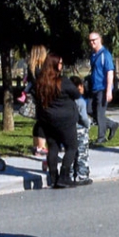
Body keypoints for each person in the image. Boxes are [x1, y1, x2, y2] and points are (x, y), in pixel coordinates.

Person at [35, 55, 84, 188]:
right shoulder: (63, 81)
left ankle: (53, 177)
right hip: (65, 120)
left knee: (53, 147)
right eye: (60, 63)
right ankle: (64, 175)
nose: (61, 66)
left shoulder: (41, 82)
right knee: (72, 147)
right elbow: (76, 94)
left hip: (48, 120)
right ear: (55, 65)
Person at [88, 32, 119, 145]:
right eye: (90, 41)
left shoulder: (105, 54)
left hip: (103, 88)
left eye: (94, 40)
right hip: (94, 88)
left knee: (100, 113)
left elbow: (110, 72)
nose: (92, 43)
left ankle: (101, 137)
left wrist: (109, 90)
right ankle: (112, 125)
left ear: (100, 39)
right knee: (90, 110)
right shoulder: (93, 55)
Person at [25, 45, 48, 157]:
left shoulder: (32, 68)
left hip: (36, 97)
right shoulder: (41, 70)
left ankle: (36, 146)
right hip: (43, 98)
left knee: (39, 122)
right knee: (44, 123)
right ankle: (40, 146)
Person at [70, 75, 93, 186]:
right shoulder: (80, 101)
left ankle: (69, 174)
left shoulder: (66, 100)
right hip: (80, 129)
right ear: (79, 87)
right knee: (82, 153)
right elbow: (83, 118)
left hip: (68, 128)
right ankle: (82, 175)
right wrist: (88, 124)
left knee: (70, 152)